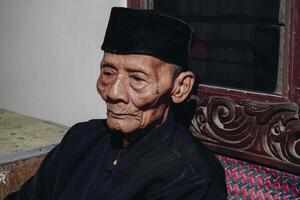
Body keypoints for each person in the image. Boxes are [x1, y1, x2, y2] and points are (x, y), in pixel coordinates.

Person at [5, 7, 227, 200]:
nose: (112, 92)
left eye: (137, 79)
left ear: (179, 87)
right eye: (108, 72)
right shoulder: (81, 138)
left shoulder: (191, 177)